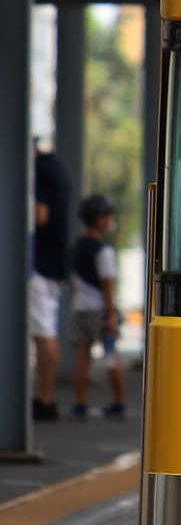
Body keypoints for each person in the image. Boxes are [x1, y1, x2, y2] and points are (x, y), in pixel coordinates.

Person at [69, 194, 126, 420]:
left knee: (83, 354)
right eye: (108, 216)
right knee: (111, 354)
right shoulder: (104, 251)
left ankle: (80, 402)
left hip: (80, 308)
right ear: (100, 220)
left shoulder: (75, 247)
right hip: (100, 310)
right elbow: (107, 286)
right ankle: (119, 402)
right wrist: (111, 316)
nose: (111, 220)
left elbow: (72, 282)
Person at [30, 144, 70, 421]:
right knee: (47, 330)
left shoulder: (40, 171)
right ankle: (45, 397)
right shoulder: (56, 168)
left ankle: (44, 400)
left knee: (43, 333)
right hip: (53, 266)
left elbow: (39, 215)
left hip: (39, 266)